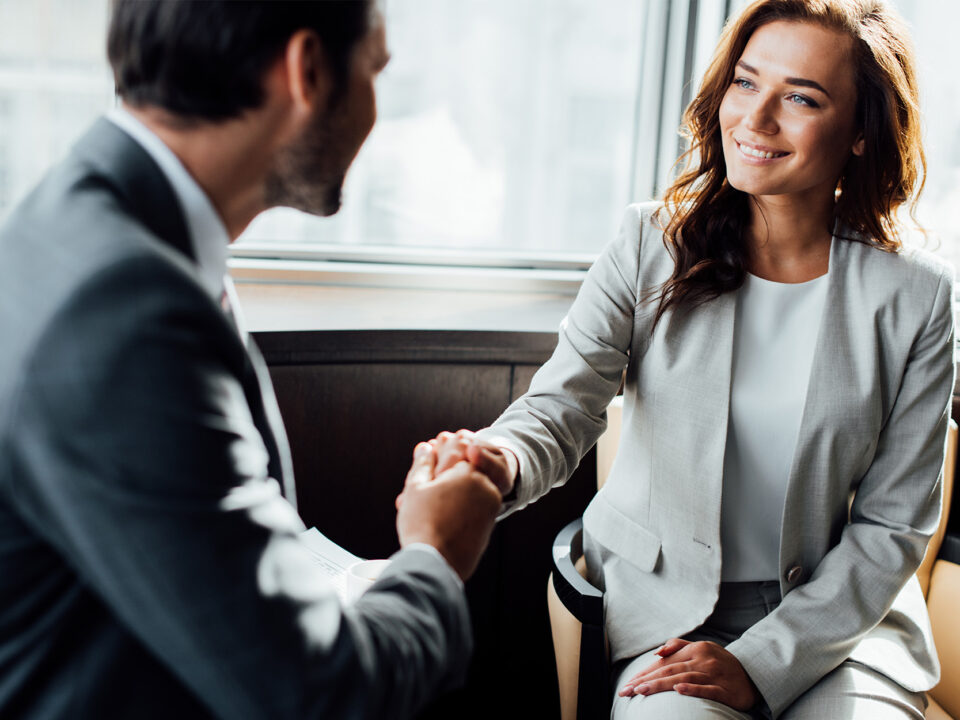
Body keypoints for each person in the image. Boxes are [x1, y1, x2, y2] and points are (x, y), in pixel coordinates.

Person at [428, 0, 955, 717]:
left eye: (800, 97)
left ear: (862, 131)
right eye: (746, 82)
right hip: (667, 613)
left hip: (841, 628)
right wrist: (497, 462)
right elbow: (564, 404)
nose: (757, 119)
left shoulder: (918, 296)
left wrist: (763, 661)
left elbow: (893, 527)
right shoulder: (650, 243)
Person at [0, 1, 504, 718]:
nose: (375, 112)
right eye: (374, 72)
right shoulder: (127, 309)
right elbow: (320, 695)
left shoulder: (99, 219)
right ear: (306, 71)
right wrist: (433, 553)